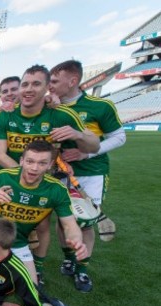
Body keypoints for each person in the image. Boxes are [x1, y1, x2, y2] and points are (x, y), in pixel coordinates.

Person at [49, 60, 126, 292]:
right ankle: (69, 259)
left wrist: (87, 154)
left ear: (73, 81)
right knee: (63, 222)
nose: (49, 85)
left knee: (84, 222)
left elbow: (120, 137)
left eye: (54, 81)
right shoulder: (51, 106)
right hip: (59, 173)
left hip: (92, 173)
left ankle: (82, 270)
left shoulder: (99, 106)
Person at [0, 140, 88, 284]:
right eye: (30, 161)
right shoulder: (3, 177)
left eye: (42, 163)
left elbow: (70, 225)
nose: (34, 168)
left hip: (18, 242)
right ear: (22, 161)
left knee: (32, 288)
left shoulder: (56, 190)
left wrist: (77, 240)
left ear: (50, 164)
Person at [0, 64, 99, 171]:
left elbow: (94, 147)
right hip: (14, 177)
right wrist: (27, 175)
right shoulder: (5, 114)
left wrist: (78, 135)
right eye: (24, 85)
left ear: (47, 87)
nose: (29, 89)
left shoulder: (63, 114)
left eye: (36, 84)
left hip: (47, 181)